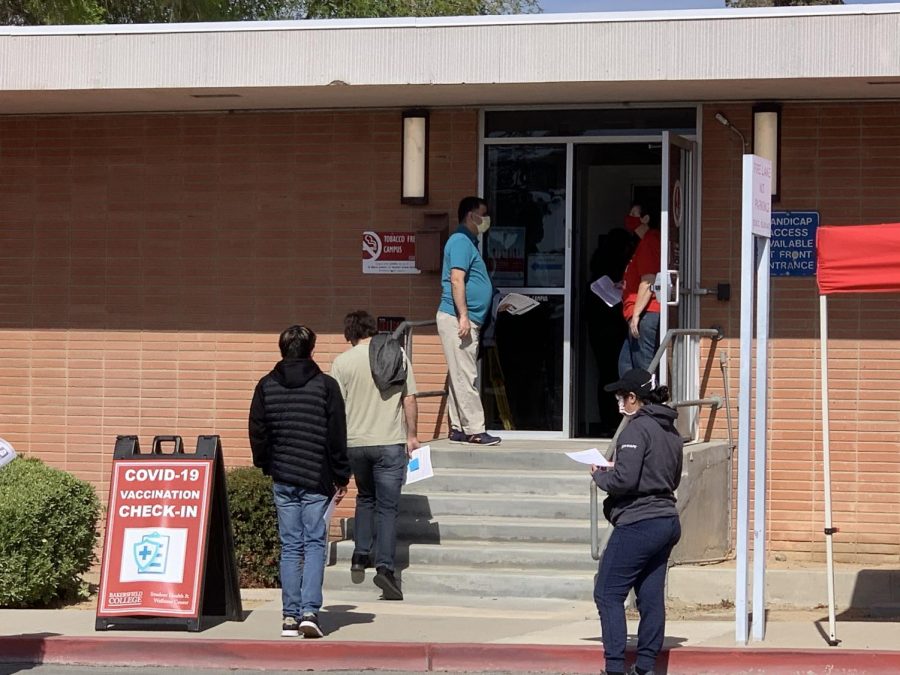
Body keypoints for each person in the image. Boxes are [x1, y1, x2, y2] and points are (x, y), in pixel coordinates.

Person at [249, 325, 351, 639]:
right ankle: (310, 612)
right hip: (317, 477)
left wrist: (267, 464)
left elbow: (258, 431)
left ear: (282, 349)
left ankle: (289, 617)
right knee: (315, 543)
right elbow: (336, 434)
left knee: (291, 546)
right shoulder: (326, 386)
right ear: (311, 350)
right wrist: (341, 474)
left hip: (283, 475)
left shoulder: (266, 386)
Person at [590, 368, 683, 675]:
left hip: (639, 522)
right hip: (666, 519)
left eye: (621, 397)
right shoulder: (670, 429)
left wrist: (601, 475)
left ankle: (614, 667)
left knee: (607, 592)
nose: (619, 403)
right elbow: (663, 474)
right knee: (651, 597)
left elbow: (625, 479)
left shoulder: (635, 429)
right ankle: (645, 667)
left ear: (634, 398)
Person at [330, 310, 420, 601]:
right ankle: (385, 568)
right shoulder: (397, 354)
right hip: (390, 442)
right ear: (372, 329)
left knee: (365, 497)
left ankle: (359, 554)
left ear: (350, 333)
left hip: (355, 443)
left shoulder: (342, 362)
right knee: (387, 507)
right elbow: (409, 398)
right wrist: (412, 436)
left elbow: (335, 409)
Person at [436, 196, 501, 446]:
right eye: (483, 214)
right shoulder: (461, 241)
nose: (486, 220)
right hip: (458, 319)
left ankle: (458, 427)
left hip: (464, 318)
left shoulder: (467, 242)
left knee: (458, 374)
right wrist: (463, 315)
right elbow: (456, 279)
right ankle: (475, 429)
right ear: (470, 215)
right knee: (466, 375)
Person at [618, 205, 662, 377]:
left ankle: (648, 403)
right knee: (626, 367)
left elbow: (649, 280)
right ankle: (631, 403)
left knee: (643, 373)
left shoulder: (650, 240)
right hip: (644, 313)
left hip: (646, 313)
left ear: (646, 219)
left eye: (634, 213)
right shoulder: (651, 241)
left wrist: (636, 314)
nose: (629, 217)